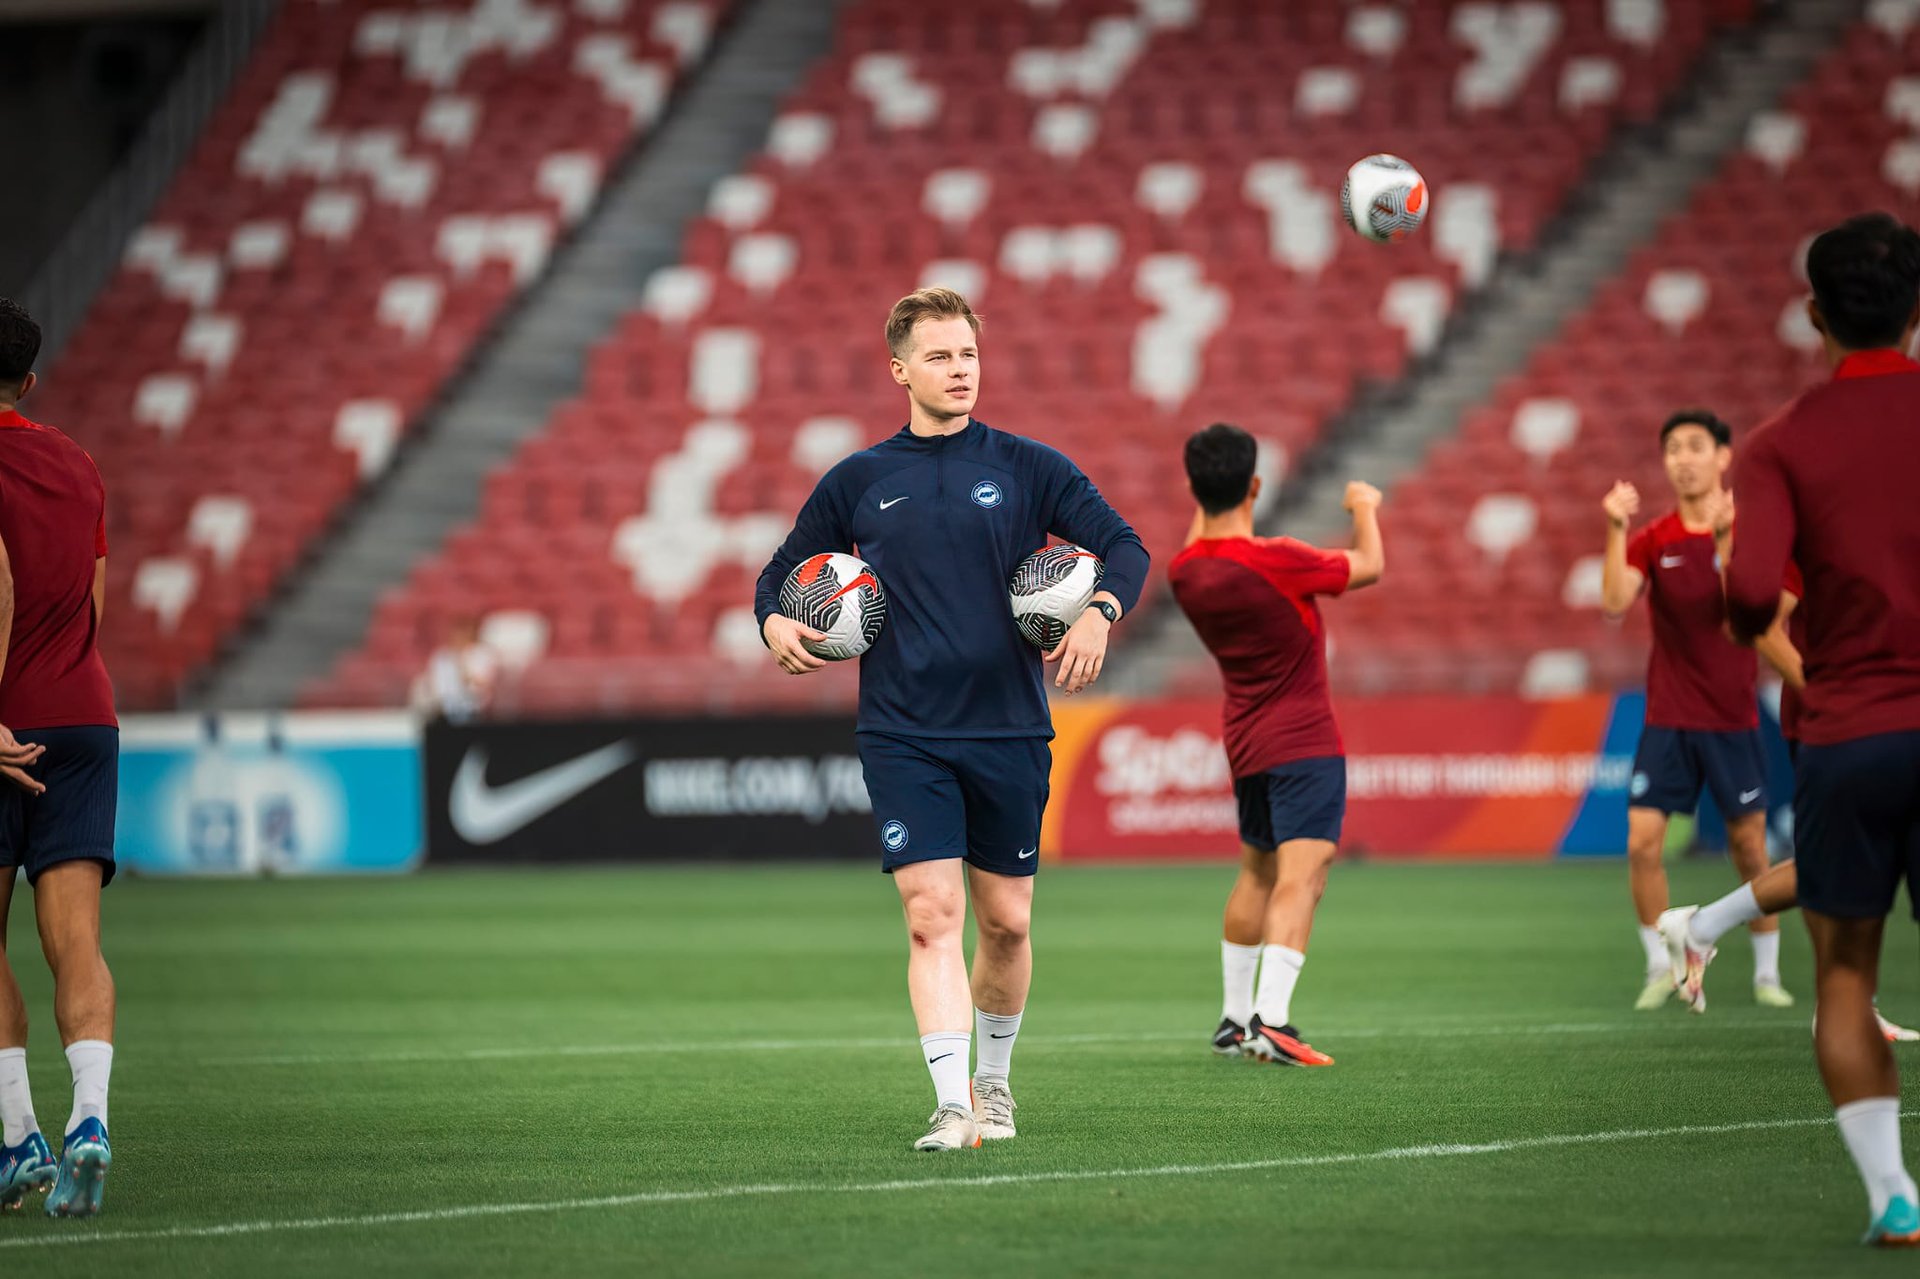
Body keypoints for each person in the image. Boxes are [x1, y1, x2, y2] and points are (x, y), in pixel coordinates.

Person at [754, 287, 1148, 1151]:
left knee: (1007, 921)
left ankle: (994, 1085)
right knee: (931, 913)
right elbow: (779, 573)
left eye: (968, 354)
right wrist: (775, 619)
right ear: (900, 369)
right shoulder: (859, 480)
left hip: (1010, 727)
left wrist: (1099, 611)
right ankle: (951, 1104)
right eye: (939, 356)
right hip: (902, 731)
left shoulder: (1029, 465)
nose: (959, 369)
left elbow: (1126, 544)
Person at [1723, 212, 1920, 1247]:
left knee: (1845, 972)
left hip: (1849, 733)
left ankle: (1895, 1195)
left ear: (1814, 314)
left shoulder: (1779, 444)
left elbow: (1753, 593)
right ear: (1917, 310)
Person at [1166, 423, 1383, 1067]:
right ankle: (1274, 1021)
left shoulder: (1184, 572)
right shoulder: (1276, 559)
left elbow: (1201, 538)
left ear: (1192, 490)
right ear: (1255, 486)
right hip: (1304, 740)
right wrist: (1365, 507)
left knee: (1257, 873)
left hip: (1245, 741)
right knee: (1302, 875)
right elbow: (1369, 565)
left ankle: (1235, 1020)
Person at [1658, 552, 1917, 1039]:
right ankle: (1843, 1003)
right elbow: (1762, 625)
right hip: (1849, 718)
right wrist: (1822, 695)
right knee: (1844, 862)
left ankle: (1704, 930)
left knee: (1841, 862)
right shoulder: (1832, 533)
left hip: (1885, 714)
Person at [1598, 409, 1799, 1011]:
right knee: (1642, 843)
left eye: (1694, 446)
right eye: (1672, 449)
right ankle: (1660, 967)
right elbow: (1613, 602)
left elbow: (1749, 621)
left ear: (1723, 456)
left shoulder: (1753, 535)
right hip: (1667, 717)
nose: (1682, 459)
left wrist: (1725, 543)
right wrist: (1615, 529)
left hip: (1733, 718)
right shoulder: (1653, 538)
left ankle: (1767, 976)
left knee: (1751, 850)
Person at [0, 298, 119, 1218]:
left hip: (5, 725)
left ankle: (17, 1137)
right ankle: (90, 1118)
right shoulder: (77, 462)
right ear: (29, 381)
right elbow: (95, 598)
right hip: (84, 712)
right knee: (75, 940)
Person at [409, 616, 498, 723]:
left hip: (474, 711)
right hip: (444, 710)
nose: (460, 637)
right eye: (457, 634)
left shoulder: (482, 654)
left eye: (464, 633)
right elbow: (435, 685)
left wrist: (462, 665)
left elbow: (485, 685)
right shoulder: (442, 656)